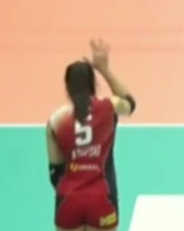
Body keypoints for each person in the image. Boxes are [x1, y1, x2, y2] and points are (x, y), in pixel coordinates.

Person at [47, 39, 135, 231]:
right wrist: (104, 69)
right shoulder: (109, 107)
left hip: (69, 199)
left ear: (67, 87)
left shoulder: (56, 120)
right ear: (94, 84)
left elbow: (55, 172)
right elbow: (130, 103)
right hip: (102, 197)